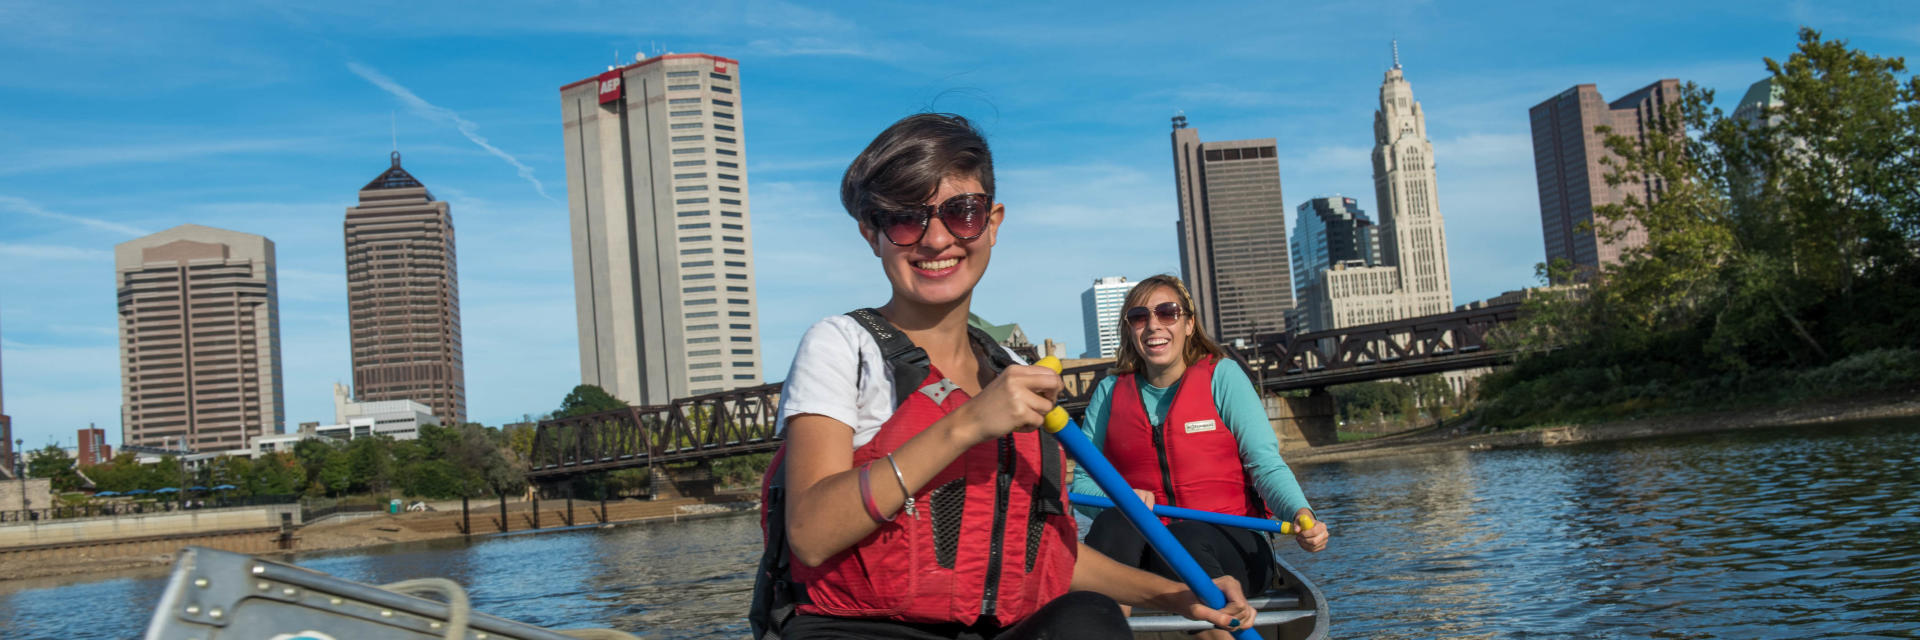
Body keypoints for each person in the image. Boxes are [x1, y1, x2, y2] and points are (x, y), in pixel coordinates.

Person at [759, 114, 1255, 640]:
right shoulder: (841, 344)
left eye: (961, 213)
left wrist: (1181, 594)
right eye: (905, 219)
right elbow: (811, 533)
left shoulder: (1011, 371)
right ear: (871, 234)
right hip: (859, 630)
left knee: (1090, 618)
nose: (935, 239)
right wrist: (968, 422)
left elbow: (1046, 557)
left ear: (992, 222)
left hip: (993, 630)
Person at [1070, 274, 1330, 640]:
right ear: (1129, 329)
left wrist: (1301, 513)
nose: (1153, 325)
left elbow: (1266, 466)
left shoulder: (1222, 377)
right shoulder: (1110, 392)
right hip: (1147, 554)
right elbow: (1082, 483)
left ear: (1189, 324)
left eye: (1167, 313)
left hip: (1234, 546)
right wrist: (1122, 501)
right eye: (1139, 317)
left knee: (1186, 541)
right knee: (1114, 523)